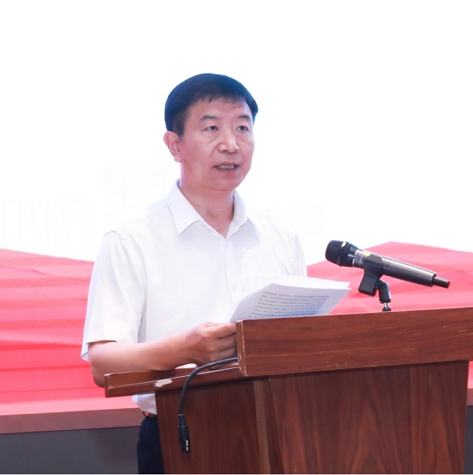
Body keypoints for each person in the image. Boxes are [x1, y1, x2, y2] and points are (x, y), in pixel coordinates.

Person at [81, 73, 306, 473]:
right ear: (174, 144)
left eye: (242, 128)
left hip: (279, 431)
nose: (231, 144)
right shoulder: (132, 241)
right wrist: (186, 348)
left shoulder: (281, 239)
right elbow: (103, 362)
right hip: (179, 437)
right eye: (211, 128)